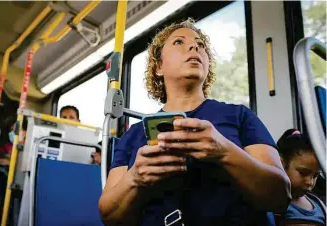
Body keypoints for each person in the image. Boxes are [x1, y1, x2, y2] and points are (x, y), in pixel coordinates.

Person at [99, 18, 291, 226]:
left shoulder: (239, 116)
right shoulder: (133, 135)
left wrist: (225, 152)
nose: (194, 46)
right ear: (159, 67)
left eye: (200, 45)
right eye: (179, 42)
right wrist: (134, 179)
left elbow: (280, 196)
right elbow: (110, 218)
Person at [270, 129, 326, 225]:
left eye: (316, 175)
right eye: (303, 173)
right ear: (281, 165)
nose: (310, 182)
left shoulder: (318, 204)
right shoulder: (272, 205)